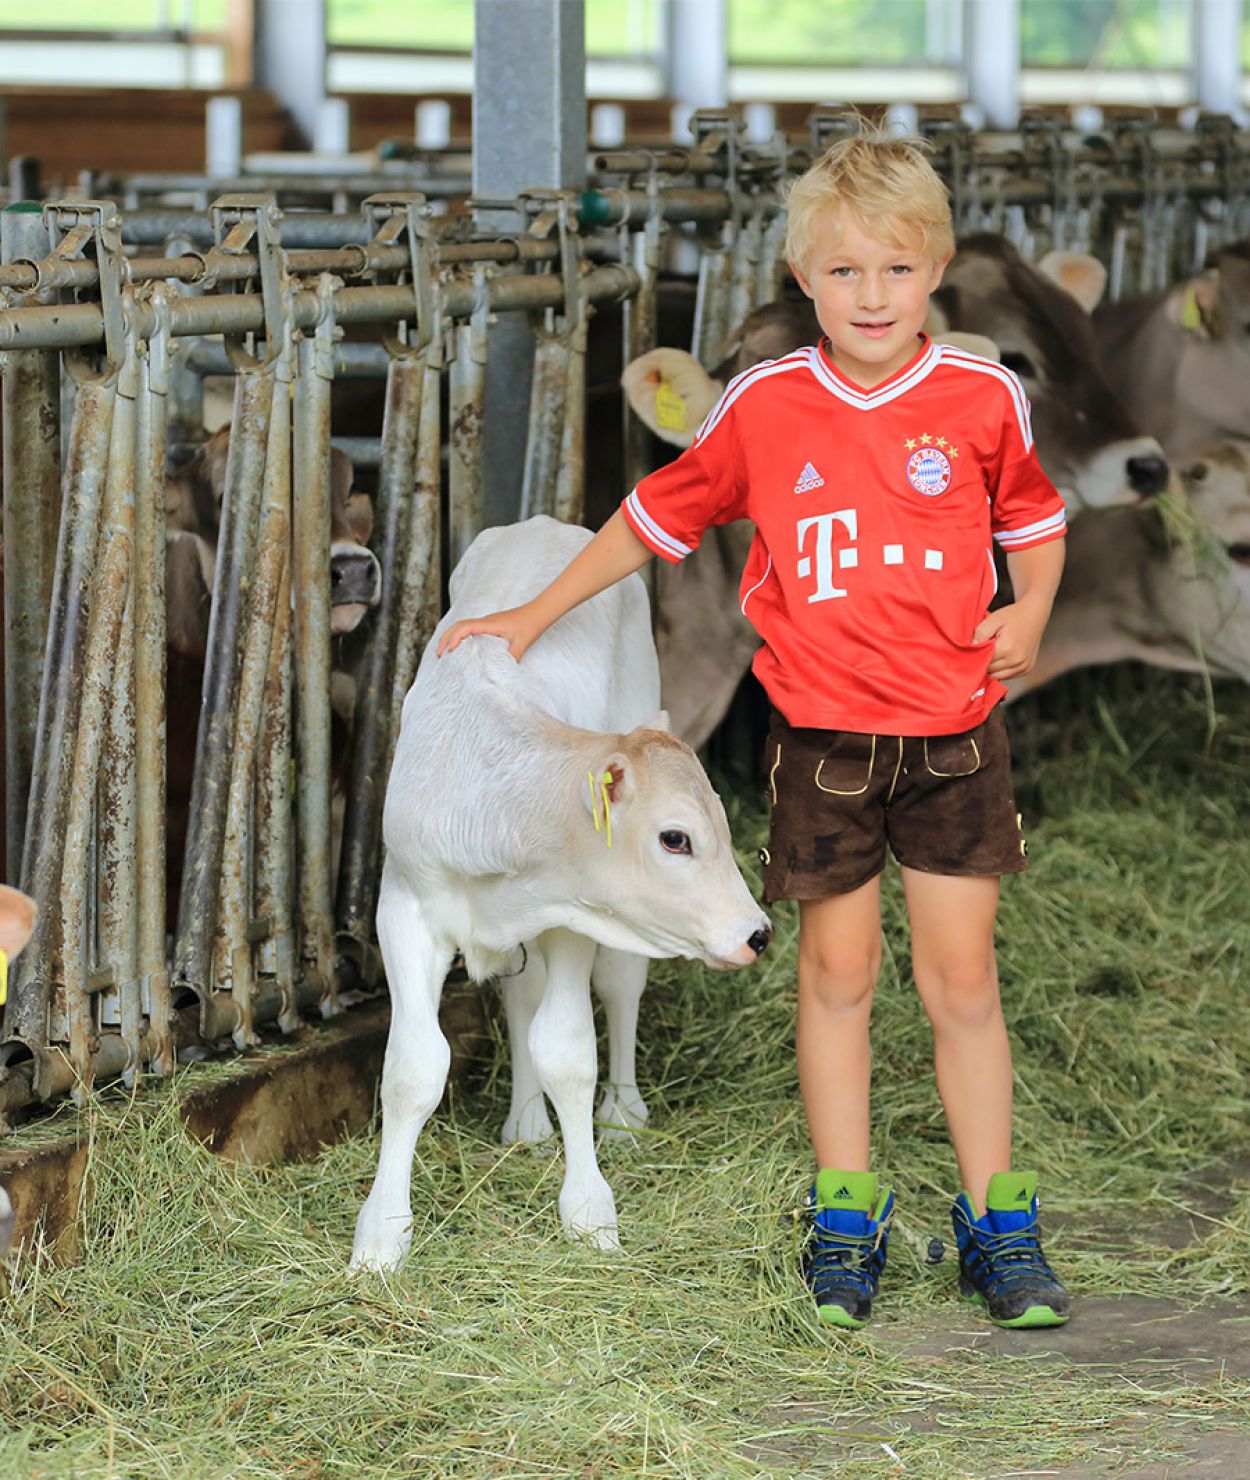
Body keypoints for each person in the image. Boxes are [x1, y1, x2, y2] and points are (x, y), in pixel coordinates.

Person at [438, 120, 1070, 1332]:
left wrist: (1031, 604)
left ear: (934, 267)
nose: (869, 295)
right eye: (842, 271)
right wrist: (526, 614)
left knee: (963, 980)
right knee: (835, 973)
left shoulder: (978, 396)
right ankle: (847, 1215)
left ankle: (1001, 1227)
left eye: (894, 269)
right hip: (826, 745)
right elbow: (651, 520)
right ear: (802, 278)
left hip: (952, 738)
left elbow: (1032, 517)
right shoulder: (768, 404)